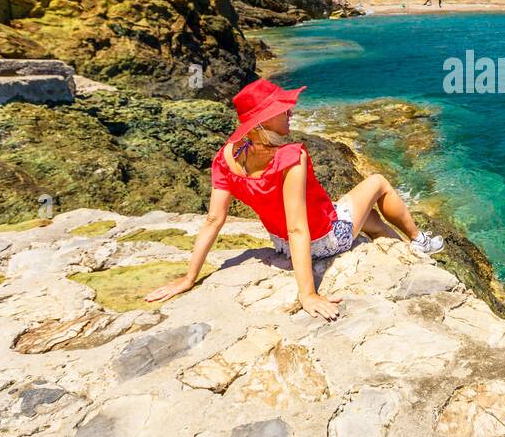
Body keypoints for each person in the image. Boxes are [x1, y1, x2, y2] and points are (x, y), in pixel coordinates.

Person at [144, 80, 443, 320]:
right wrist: (308, 294)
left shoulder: (225, 157)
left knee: (372, 220)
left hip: (283, 246)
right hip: (324, 239)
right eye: (282, 110)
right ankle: (419, 241)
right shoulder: (290, 157)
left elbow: (214, 219)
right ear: (261, 123)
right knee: (377, 182)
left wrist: (189, 276)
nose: (291, 112)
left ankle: (404, 251)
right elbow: (299, 228)